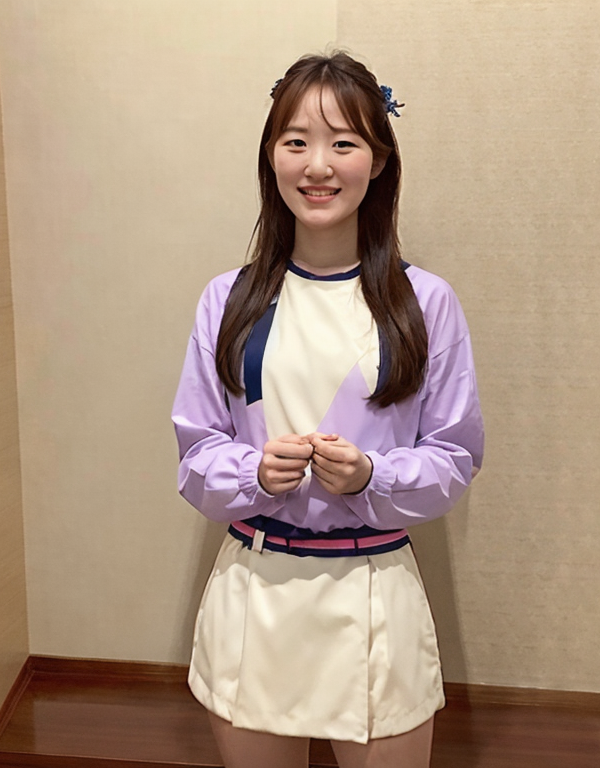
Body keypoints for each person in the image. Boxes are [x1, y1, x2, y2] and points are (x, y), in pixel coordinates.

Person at [172, 51, 484, 768]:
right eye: (296, 141)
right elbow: (196, 453)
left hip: (375, 593)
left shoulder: (425, 302)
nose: (318, 165)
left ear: (379, 161)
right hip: (254, 594)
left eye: (343, 142)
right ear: (271, 156)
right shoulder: (228, 298)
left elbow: (455, 456)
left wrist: (372, 475)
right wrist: (254, 473)